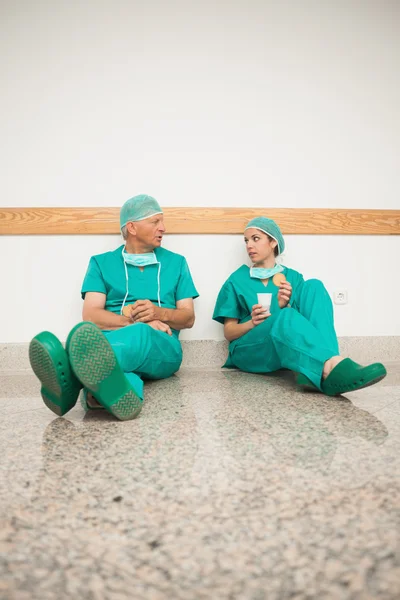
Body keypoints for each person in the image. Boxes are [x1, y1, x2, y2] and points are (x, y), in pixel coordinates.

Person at [29, 194, 199, 420]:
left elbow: (188, 318)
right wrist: (137, 320)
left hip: (164, 345)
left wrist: (158, 314)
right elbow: (91, 316)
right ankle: (101, 395)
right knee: (115, 360)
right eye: (155, 222)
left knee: (140, 333)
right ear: (132, 227)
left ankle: (71, 374)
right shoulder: (101, 263)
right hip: (110, 339)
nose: (163, 228)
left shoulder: (177, 263)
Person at [212, 216, 386, 396]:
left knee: (314, 286)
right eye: (246, 241)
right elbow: (229, 332)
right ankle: (328, 368)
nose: (249, 245)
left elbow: (306, 322)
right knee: (285, 315)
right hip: (250, 350)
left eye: (256, 239)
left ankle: (327, 364)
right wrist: (253, 321)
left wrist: (284, 304)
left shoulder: (293, 278)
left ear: (273, 242)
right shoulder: (237, 280)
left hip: (281, 350)